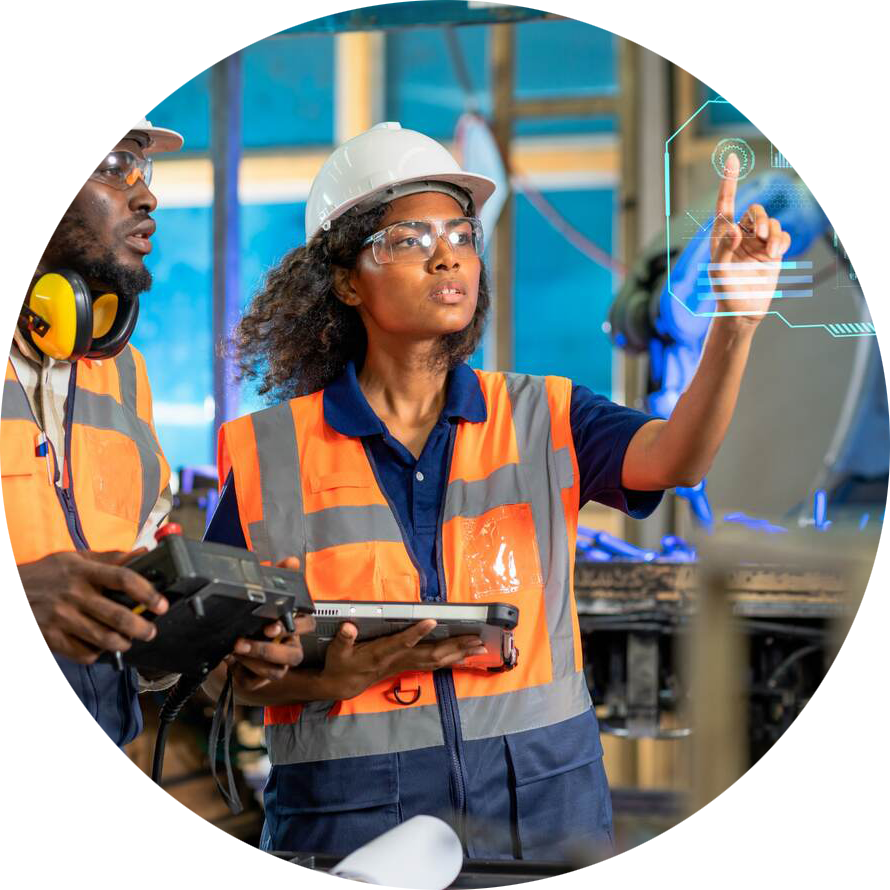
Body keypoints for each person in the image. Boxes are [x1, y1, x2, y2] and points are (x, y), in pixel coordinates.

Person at [204, 122, 790, 859]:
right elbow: (225, 676)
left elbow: (677, 459)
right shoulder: (269, 454)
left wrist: (735, 324)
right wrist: (323, 681)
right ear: (347, 279)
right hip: (352, 834)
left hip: (541, 820)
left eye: (460, 233)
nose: (447, 253)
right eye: (408, 240)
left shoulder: (545, 415)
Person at [0, 43, 306, 888]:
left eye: (142, 168)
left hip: (101, 818)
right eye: (110, 165)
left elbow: (125, 615)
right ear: (22, 186)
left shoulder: (120, 375)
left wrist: (210, 632)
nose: (145, 193)